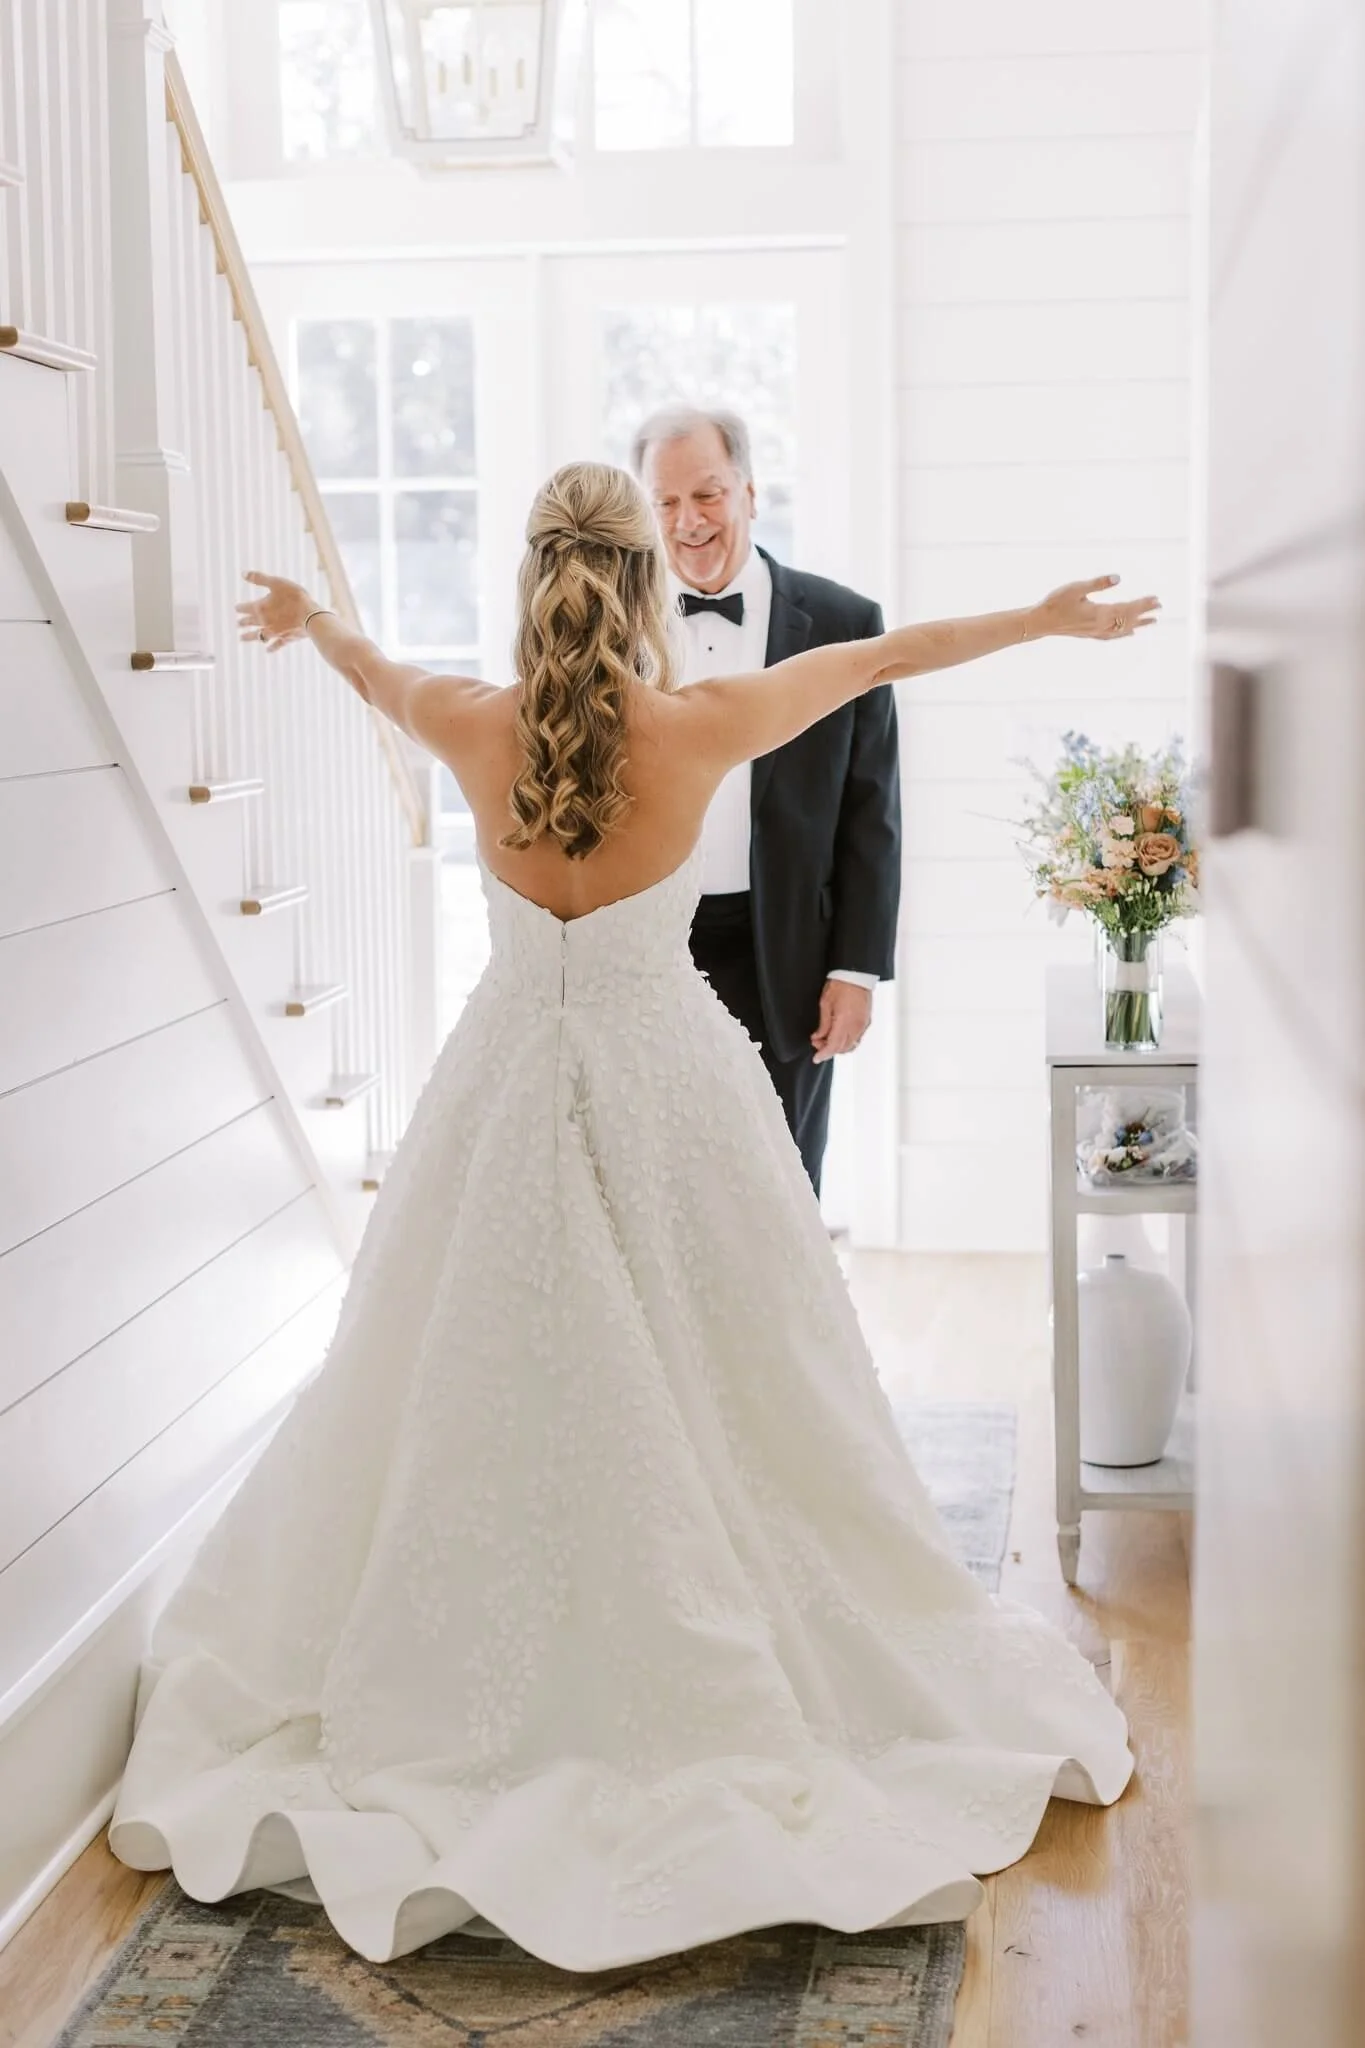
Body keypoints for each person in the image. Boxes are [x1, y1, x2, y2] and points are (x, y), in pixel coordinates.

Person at [110, 462, 1155, 1971]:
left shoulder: (472, 725)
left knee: (467, 1378)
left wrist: (308, 614)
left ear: (532, 577)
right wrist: (1046, 621)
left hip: (505, 1093)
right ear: (645, 584)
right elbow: (880, 658)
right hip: (671, 1085)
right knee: (733, 1379)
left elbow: (368, 670)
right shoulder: (698, 726)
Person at [634, 405, 898, 1191]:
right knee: (654, 1184)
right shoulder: (610, 626)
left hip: (783, 951)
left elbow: (870, 812)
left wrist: (855, 968)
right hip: (646, 947)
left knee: (778, 1189)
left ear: (750, 492)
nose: (688, 522)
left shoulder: (845, 624)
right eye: (666, 501)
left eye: (707, 494)